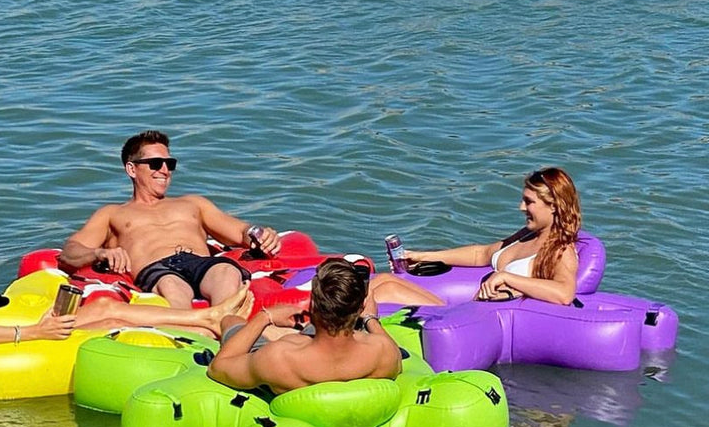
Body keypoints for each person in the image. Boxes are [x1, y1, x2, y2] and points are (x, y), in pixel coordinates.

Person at [0, 218, 254, 346]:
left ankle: (205, 322)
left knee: (103, 315)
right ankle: (212, 316)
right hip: (6, 336)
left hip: (7, 330)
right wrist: (35, 331)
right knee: (105, 310)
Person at [58, 130, 283, 309]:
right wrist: (99, 253)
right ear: (132, 169)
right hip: (158, 269)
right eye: (155, 164)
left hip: (199, 262)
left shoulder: (193, 204)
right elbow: (69, 252)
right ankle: (195, 340)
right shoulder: (112, 213)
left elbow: (240, 231)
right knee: (173, 287)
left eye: (170, 164)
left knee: (226, 272)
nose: (165, 170)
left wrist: (259, 234)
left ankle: (229, 332)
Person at [208, 259, 402, 395]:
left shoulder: (277, 357)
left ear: (312, 306)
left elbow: (217, 368)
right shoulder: (383, 352)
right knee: (300, 336)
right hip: (340, 347)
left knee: (231, 322)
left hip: (294, 365)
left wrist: (264, 317)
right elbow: (393, 352)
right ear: (359, 307)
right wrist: (370, 318)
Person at [405, 167, 581, 305]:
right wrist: (423, 257)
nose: (521, 207)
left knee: (387, 289)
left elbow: (564, 294)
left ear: (553, 206)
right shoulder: (527, 234)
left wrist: (506, 277)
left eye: (529, 202)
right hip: (471, 304)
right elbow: (481, 254)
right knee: (384, 282)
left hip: (477, 320)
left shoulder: (561, 250)